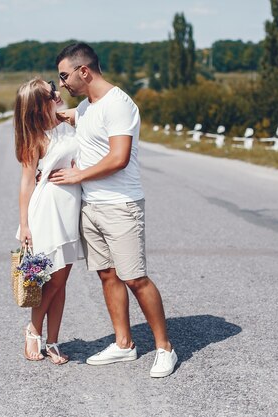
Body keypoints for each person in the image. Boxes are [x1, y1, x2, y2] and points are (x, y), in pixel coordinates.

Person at [50, 43, 178, 378]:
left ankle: (165, 348)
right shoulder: (88, 107)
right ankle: (124, 344)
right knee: (107, 274)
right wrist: (52, 110)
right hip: (91, 207)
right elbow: (74, 118)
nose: (62, 83)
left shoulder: (119, 105)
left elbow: (119, 158)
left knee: (135, 277)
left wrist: (77, 174)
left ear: (84, 71)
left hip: (121, 207)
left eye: (64, 76)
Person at [14, 77, 82, 365]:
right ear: (38, 106)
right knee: (48, 282)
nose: (57, 93)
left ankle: (53, 341)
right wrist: (25, 225)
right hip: (46, 214)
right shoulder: (36, 139)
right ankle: (33, 331)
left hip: (69, 211)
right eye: (50, 93)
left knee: (62, 281)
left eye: (54, 88)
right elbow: (27, 184)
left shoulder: (70, 124)